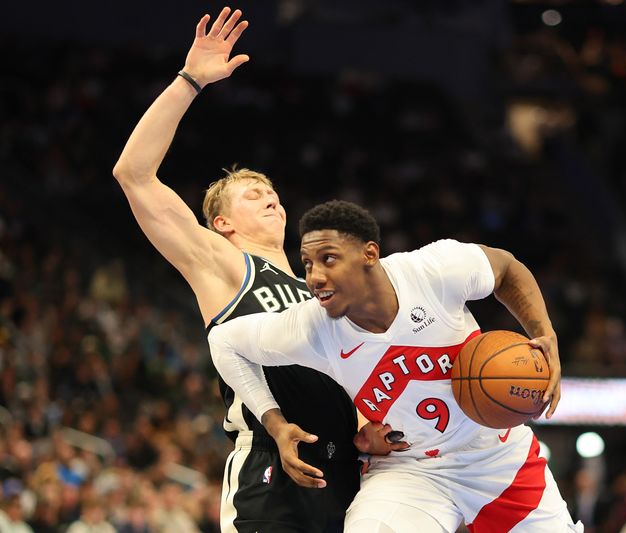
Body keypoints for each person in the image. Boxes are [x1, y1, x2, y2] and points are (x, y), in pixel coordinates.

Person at [112, 9, 392, 532]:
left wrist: (368, 427)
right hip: (271, 463)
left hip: (347, 470)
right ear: (221, 222)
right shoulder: (221, 262)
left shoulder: (321, 293)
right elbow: (133, 174)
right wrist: (191, 80)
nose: (269, 196)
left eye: (271, 191)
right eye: (251, 193)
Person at [208, 200, 583, 532]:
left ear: (369, 254)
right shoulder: (312, 327)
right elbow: (223, 342)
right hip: (412, 470)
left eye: (329, 259)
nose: (314, 277)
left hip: (497, 456)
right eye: (307, 264)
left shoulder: (433, 270)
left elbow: (505, 268)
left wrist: (543, 334)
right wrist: (273, 423)